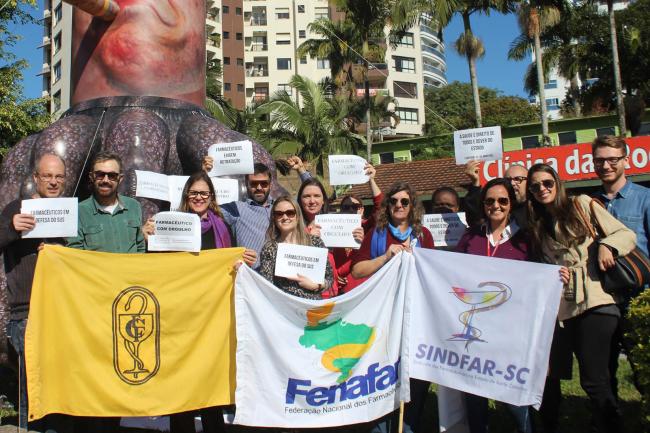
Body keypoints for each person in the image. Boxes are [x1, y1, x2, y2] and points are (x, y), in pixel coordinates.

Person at [527, 163, 636, 433]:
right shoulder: (538, 224)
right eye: (535, 186)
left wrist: (607, 246)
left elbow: (625, 234)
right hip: (566, 307)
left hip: (596, 299)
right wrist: (554, 274)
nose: (542, 189)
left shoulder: (581, 204)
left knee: (594, 379)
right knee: (574, 377)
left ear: (557, 183)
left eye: (547, 183)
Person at [144, 171, 250, 433]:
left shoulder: (222, 226)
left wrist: (240, 262)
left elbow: (227, 263)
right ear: (186, 196)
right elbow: (158, 265)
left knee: (209, 383)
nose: (199, 198)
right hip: (179, 315)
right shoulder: (170, 223)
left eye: (204, 193)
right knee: (180, 383)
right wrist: (149, 238)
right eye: (194, 193)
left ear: (211, 197)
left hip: (212, 317)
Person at [67, 151, 144, 432]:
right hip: (94, 308)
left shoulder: (134, 208)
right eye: (100, 174)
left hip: (127, 307)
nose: (106, 179)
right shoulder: (77, 212)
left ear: (120, 179)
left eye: (112, 175)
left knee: (120, 369)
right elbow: (75, 257)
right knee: (93, 372)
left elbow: (140, 250)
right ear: (91, 178)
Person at [351, 181, 434, 433]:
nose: (399, 205)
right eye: (394, 201)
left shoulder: (424, 235)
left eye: (404, 201)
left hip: (415, 316)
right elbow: (357, 270)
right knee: (383, 373)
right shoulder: (377, 234)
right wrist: (386, 256)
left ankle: (408, 425)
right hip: (384, 316)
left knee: (413, 378)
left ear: (412, 206)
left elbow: (433, 273)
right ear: (387, 205)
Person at [0, 154, 73, 433]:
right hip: (26, 315)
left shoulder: (70, 213)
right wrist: (10, 229)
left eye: (58, 177)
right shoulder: (18, 209)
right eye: (47, 176)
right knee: (29, 391)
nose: (53, 182)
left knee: (60, 391)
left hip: (63, 315)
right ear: (35, 179)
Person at [455, 178, 532, 433]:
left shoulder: (526, 237)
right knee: (474, 394)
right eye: (489, 201)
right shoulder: (472, 236)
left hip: (510, 329)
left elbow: (538, 276)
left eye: (502, 200)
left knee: (512, 394)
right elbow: (451, 270)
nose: (495, 206)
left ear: (511, 204)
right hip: (475, 327)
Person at [592, 134, 650, 396]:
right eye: (600, 160)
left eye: (613, 160)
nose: (606, 166)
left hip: (639, 296)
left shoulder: (645, 199)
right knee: (604, 373)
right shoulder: (589, 204)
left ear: (626, 160)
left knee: (643, 371)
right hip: (604, 300)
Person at [201, 157, 311, 268]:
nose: (259, 188)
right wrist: (204, 174)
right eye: (254, 184)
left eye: (264, 184)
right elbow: (206, 207)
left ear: (270, 184)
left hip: (281, 277)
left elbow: (310, 198)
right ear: (246, 184)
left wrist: (302, 170)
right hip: (252, 278)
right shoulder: (237, 209)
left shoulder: (281, 208)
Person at [258, 196, 333, 299]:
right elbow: (267, 286)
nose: (285, 217)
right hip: (285, 309)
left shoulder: (315, 242)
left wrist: (316, 285)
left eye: (290, 213)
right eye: (279, 214)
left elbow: (329, 278)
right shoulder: (269, 248)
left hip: (312, 308)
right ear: (274, 218)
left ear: (297, 216)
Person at [464, 161, 528, 227]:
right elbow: (476, 220)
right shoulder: (496, 209)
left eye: (517, 179)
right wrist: (475, 183)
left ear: (528, 182)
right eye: (508, 180)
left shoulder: (534, 210)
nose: (512, 183)